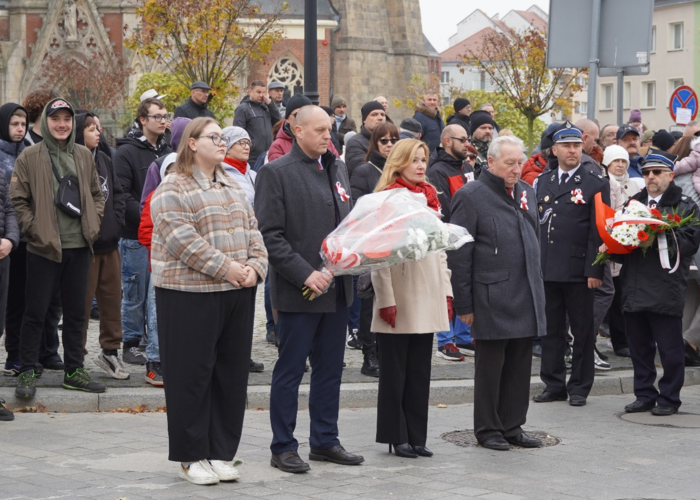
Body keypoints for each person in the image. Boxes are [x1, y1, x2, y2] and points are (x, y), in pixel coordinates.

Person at [150, 117, 267, 485]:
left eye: (223, 136)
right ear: (192, 143)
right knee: (191, 376)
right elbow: (181, 239)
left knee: (229, 376)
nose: (223, 141)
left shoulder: (231, 184)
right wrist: (228, 268)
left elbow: (254, 231)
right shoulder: (173, 187)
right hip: (189, 295)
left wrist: (255, 268)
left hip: (236, 293)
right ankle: (190, 455)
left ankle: (219, 451)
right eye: (214, 136)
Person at [256, 105, 363, 473]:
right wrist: (305, 274)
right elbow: (270, 236)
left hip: (337, 290)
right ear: (296, 130)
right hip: (299, 293)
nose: (326, 136)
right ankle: (283, 445)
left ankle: (325, 440)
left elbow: (347, 225)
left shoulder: (337, 167)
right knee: (290, 371)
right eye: (319, 130)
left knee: (331, 370)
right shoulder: (276, 173)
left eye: (329, 130)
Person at [450, 135, 546, 451]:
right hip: (491, 296)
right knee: (491, 368)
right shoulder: (471, 196)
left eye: (520, 162)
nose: (517, 169)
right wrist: (464, 302)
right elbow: (460, 254)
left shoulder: (526, 192)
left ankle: (512, 425)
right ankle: (488, 428)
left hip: (525, 292)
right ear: (490, 162)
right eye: (510, 163)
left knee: (520, 365)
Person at [10, 97, 105, 399]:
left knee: (77, 313)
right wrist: (34, 229)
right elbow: (18, 198)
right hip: (44, 248)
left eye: (66, 119)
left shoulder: (83, 154)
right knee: (35, 312)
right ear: (46, 123)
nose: (62, 125)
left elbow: (96, 193)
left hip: (79, 247)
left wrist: (94, 222)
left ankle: (74, 370)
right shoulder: (30, 156)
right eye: (56, 119)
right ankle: (27, 369)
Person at [370, 138, 451, 458]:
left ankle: (417, 435)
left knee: (419, 370)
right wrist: (386, 297)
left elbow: (441, 247)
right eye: (414, 160)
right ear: (399, 162)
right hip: (401, 291)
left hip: (429, 288)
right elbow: (379, 254)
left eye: (423, 159)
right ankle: (395, 434)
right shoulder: (386, 199)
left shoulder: (430, 196)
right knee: (395, 371)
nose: (421, 165)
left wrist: (446, 290)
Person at [617, 150, 700, 415]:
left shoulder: (685, 205)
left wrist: (657, 235)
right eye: (646, 173)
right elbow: (619, 240)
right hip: (634, 285)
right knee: (639, 348)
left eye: (656, 172)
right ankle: (643, 394)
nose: (650, 177)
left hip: (665, 286)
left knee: (670, 350)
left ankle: (669, 398)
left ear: (670, 175)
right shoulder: (633, 203)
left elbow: (689, 243)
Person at [533, 122, 609, 407]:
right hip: (549, 268)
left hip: (580, 270)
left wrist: (595, 269)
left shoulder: (595, 182)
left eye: (577, 145)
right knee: (551, 330)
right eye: (566, 145)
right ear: (555, 150)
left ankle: (579, 386)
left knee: (583, 331)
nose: (572, 150)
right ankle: (553, 384)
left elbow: (599, 230)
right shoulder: (544, 181)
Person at [113, 97, 171, 365]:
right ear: (142, 120)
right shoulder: (126, 152)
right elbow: (122, 196)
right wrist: (152, 216)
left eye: (164, 115)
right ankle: (132, 341)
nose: (162, 120)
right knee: (135, 292)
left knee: (157, 294)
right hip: (135, 234)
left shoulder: (169, 151)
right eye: (156, 116)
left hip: (164, 235)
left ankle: (155, 341)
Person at [137, 117, 191, 386]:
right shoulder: (158, 187)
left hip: (187, 265)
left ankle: (178, 360)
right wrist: (155, 251)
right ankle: (155, 360)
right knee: (157, 312)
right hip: (161, 262)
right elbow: (146, 224)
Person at [75, 113, 127, 379]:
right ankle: (76, 358)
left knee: (111, 301)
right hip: (84, 247)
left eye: (98, 127)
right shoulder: (71, 160)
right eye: (91, 128)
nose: (98, 132)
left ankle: (110, 352)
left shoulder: (105, 159)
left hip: (110, 244)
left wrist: (116, 224)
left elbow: (116, 194)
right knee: (81, 305)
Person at [349, 122, 401, 377]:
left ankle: (386, 351)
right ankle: (369, 355)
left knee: (393, 300)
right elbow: (356, 211)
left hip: (398, 246)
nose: (389, 145)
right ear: (375, 144)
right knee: (372, 300)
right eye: (384, 141)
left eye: (393, 140)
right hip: (374, 244)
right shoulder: (365, 170)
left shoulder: (400, 170)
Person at [220, 125, 266, 373]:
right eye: (240, 142)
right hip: (229, 246)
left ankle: (242, 353)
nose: (246, 146)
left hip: (250, 244)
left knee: (246, 305)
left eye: (248, 142)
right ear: (227, 145)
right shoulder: (221, 173)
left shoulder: (253, 174)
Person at [427, 124, 475, 361]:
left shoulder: (466, 166)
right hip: (449, 236)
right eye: (462, 139)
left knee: (465, 285)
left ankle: (464, 337)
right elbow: (444, 207)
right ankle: (445, 340)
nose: (467, 143)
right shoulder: (437, 171)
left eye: (467, 139)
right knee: (447, 288)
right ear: (447, 141)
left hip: (468, 235)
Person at [601, 145, 640, 359]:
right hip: (611, 248)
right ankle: (619, 341)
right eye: (616, 161)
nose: (620, 164)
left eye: (624, 161)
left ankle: (627, 340)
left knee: (626, 298)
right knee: (614, 299)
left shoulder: (633, 184)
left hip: (630, 248)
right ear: (607, 163)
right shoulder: (604, 183)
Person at [0, 103, 21, 420]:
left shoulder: (18, 158)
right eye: (13, 122)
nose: (19, 128)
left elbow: (10, 207)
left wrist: (10, 239)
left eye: (23, 122)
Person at [233, 80, 282, 167]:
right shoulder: (243, 109)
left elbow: (278, 122)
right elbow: (238, 132)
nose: (261, 95)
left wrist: (270, 104)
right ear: (250, 91)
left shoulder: (266, 108)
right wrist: (250, 146)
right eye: (258, 92)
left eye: (263, 92)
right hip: (252, 158)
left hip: (267, 156)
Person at [345, 101, 386, 175]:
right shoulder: (355, 143)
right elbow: (361, 171)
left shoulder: (392, 141)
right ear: (364, 120)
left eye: (383, 115)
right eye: (374, 115)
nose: (380, 118)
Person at [468, 110, 496, 178]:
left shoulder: (496, 150)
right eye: (483, 128)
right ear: (473, 130)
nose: (487, 131)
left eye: (490, 128)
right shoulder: (466, 151)